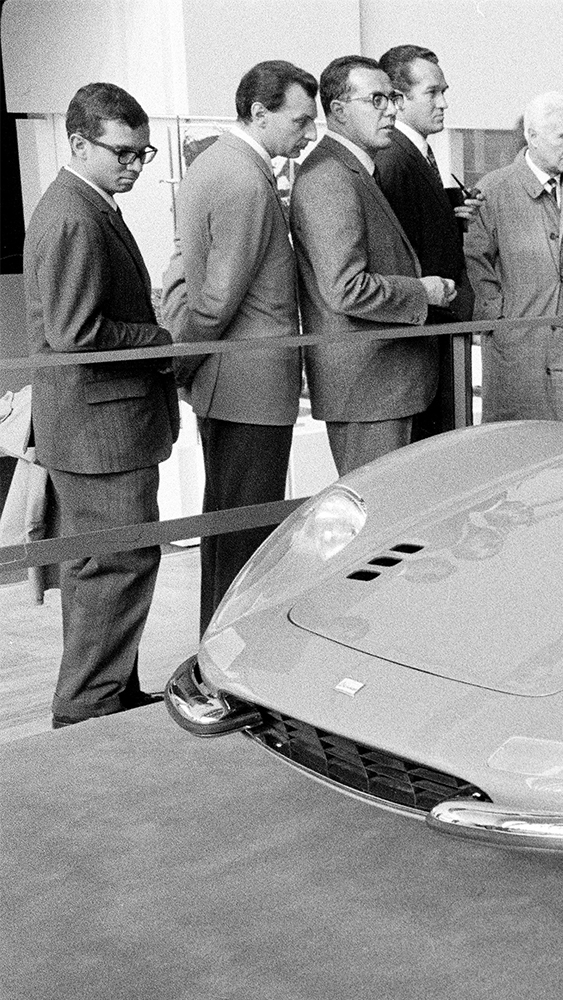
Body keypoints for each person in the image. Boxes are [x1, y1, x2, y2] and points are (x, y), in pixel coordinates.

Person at [23, 83, 179, 728]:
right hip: (99, 431)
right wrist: (163, 339)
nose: (135, 166)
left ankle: (107, 694)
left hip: (103, 426)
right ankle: (89, 708)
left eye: (143, 154)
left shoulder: (89, 205)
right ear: (80, 143)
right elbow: (76, 333)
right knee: (114, 566)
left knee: (112, 565)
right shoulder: (72, 214)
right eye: (123, 153)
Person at [160, 61, 317, 636]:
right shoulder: (244, 178)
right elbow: (216, 301)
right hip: (247, 386)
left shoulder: (219, 166)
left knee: (230, 527)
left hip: (234, 382)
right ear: (259, 113)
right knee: (244, 534)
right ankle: (228, 655)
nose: (307, 135)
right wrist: (181, 365)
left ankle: (220, 647)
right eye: (300, 121)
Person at [293, 55, 455, 476]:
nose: (391, 109)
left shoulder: (357, 170)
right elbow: (346, 288)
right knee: (376, 520)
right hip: (368, 390)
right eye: (378, 99)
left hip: (384, 385)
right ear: (339, 110)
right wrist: (425, 291)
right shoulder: (330, 176)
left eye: (393, 98)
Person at [465, 91, 563, 425]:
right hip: (524, 349)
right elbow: (477, 265)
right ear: (531, 136)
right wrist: (501, 323)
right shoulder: (494, 190)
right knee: (529, 446)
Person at [375, 45, 482, 442]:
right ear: (398, 101)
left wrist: (449, 216)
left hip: (434, 334)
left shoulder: (415, 154)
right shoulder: (394, 160)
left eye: (444, 92)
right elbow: (398, 251)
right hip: (420, 337)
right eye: (432, 93)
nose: (443, 104)